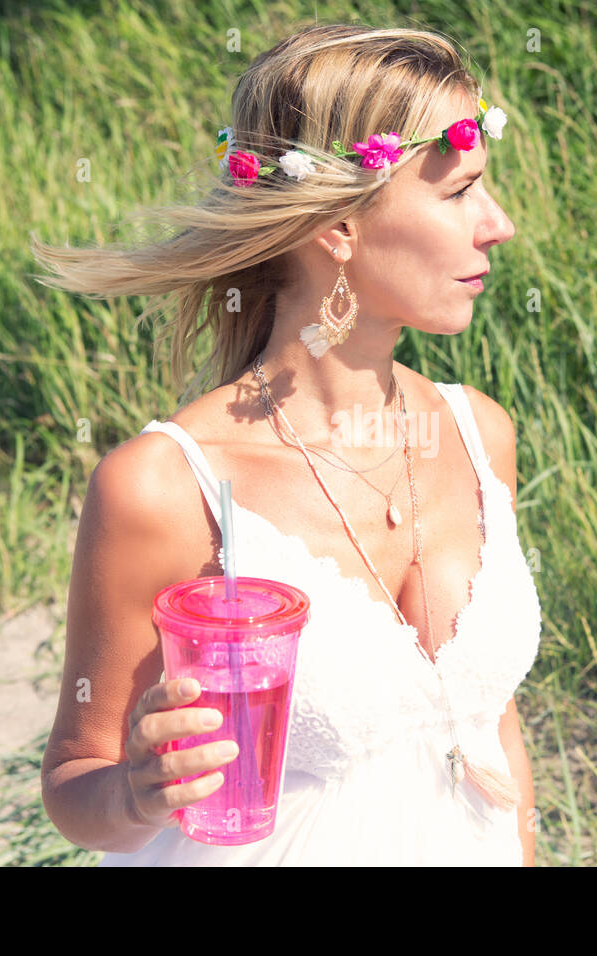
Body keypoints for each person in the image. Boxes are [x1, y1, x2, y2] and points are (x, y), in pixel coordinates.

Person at [32, 22, 542, 865]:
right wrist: (132, 789)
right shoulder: (166, 488)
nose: (499, 224)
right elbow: (75, 781)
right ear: (339, 228)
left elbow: (494, 736)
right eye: (458, 194)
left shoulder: (480, 433)